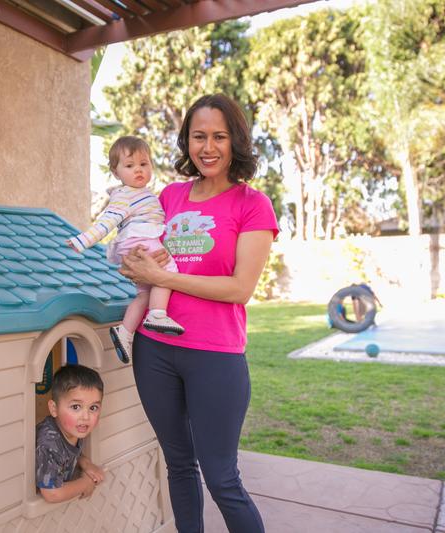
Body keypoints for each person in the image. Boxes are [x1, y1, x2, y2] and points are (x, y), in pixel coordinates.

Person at [119, 94, 277, 533]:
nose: (208, 147)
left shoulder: (252, 205)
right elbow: (140, 251)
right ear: (186, 141)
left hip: (215, 355)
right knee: (178, 465)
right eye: (199, 136)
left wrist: (165, 279)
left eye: (219, 137)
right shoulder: (168, 196)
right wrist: (130, 261)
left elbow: (240, 289)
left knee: (223, 478)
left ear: (236, 142)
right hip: (156, 350)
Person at [68, 136, 184, 364]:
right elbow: (106, 222)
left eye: (144, 164)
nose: (138, 170)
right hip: (140, 239)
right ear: (116, 172)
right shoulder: (126, 196)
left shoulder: (140, 194)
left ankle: (125, 332)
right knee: (167, 271)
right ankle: (158, 314)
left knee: (144, 293)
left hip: (134, 243)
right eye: (130, 166)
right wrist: (83, 240)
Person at [35, 364, 105, 503]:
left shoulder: (73, 428)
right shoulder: (49, 442)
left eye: (93, 407)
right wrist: (85, 482)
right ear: (54, 409)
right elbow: (52, 494)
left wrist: (85, 463)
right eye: (75, 407)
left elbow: (69, 454)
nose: (86, 416)